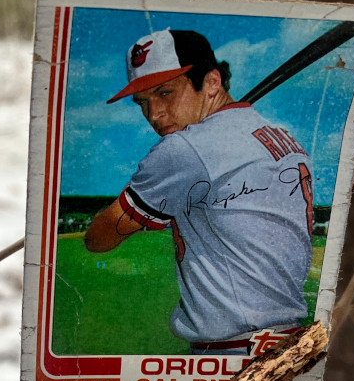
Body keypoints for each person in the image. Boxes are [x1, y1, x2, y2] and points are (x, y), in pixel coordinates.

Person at [84, 29, 314, 355]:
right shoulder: (284, 137)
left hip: (233, 352)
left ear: (211, 82)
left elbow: (98, 239)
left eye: (165, 93)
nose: (154, 114)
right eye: (143, 102)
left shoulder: (185, 149)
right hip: (289, 344)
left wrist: (146, 185)